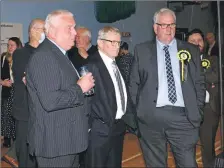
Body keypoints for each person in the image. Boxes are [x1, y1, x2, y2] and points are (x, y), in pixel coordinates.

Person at [129, 8, 206, 167]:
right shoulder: (141, 50)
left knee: (188, 164)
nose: (169, 29)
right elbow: (134, 84)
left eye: (172, 25)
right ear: (155, 27)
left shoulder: (190, 50)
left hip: (183, 118)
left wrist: (197, 111)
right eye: (164, 25)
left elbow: (199, 83)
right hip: (151, 119)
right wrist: (138, 115)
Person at [25, 10, 94, 167]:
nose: (75, 33)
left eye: (74, 28)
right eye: (69, 28)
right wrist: (80, 88)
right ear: (52, 30)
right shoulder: (44, 56)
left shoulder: (58, 54)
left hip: (66, 141)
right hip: (55, 144)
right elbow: (51, 101)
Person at [85, 26, 138, 168]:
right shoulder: (92, 65)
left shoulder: (116, 63)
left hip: (118, 128)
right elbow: (86, 99)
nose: (117, 46)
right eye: (112, 42)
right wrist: (90, 128)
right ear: (100, 43)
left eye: (118, 42)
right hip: (100, 131)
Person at [11, 18, 45, 167]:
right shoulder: (20, 53)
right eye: (42, 29)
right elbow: (26, 77)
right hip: (26, 112)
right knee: (25, 155)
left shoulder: (47, 52)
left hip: (44, 112)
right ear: (32, 31)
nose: (45, 32)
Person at [186, 28, 220, 167]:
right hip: (187, 110)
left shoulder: (213, 59)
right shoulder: (182, 61)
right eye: (192, 41)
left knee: (207, 148)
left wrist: (197, 70)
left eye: (199, 40)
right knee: (187, 149)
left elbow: (216, 76)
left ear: (204, 43)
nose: (196, 43)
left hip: (208, 110)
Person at [1, 37, 22, 148]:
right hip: (7, 90)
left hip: (19, 90)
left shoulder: (22, 58)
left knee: (17, 115)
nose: (9, 47)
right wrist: (2, 82)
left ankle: (16, 138)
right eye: (8, 45)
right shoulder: (4, 57)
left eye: (12, 45)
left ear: (18, 46)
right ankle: (7, 138)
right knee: (6, 115)